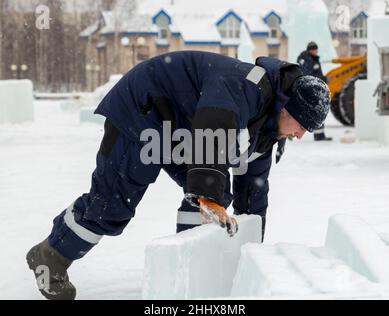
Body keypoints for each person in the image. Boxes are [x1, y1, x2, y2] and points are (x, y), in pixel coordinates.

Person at [26, 51, 330, 300]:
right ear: (285, 107)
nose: (301, 135)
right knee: (113, 205)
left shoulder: (270, 130)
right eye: (301, 124)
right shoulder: (246, 85)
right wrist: (208, 195)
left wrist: (252, 253)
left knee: (213, 203)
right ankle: (51, 254)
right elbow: (215, 125)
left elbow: (253, 191)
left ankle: (188, 270)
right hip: (143, 106)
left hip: (181, 126)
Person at [297, 41, 332, 141]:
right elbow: (309, 75)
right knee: (315, 110)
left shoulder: (311, 59)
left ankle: (319, 134)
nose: (316, 52)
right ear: (310, 50)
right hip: (310, 89)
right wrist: (323, 79)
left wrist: (323, 79)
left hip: (313, 88)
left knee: (315, 111)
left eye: (316, 50)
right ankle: (318, 135)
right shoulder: (307, 60)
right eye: (314, 50)